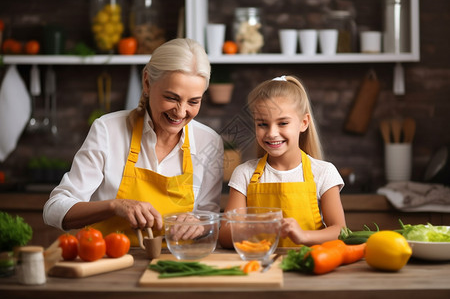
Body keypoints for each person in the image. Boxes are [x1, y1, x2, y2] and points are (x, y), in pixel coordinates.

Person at [43, 38, 224, 246]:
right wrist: (114, 206)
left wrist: (200, 224)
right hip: (109, 265)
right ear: (147, 82)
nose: (181, 112)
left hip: (175, 267)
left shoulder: (209, 142)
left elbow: (210, 218)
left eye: (193, 101)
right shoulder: (108, 130)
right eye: (172, 98)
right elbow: (54, 209)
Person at [219, 75, 345, 248]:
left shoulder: (323, 172)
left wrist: (303, 236)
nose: (272, 133)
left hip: (308, 265)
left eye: (283, 123)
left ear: (303, 123)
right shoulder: (244, 173)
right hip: (260, 265)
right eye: (262, 124)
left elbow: (340, 231)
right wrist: (261, 227)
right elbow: (225, 236)